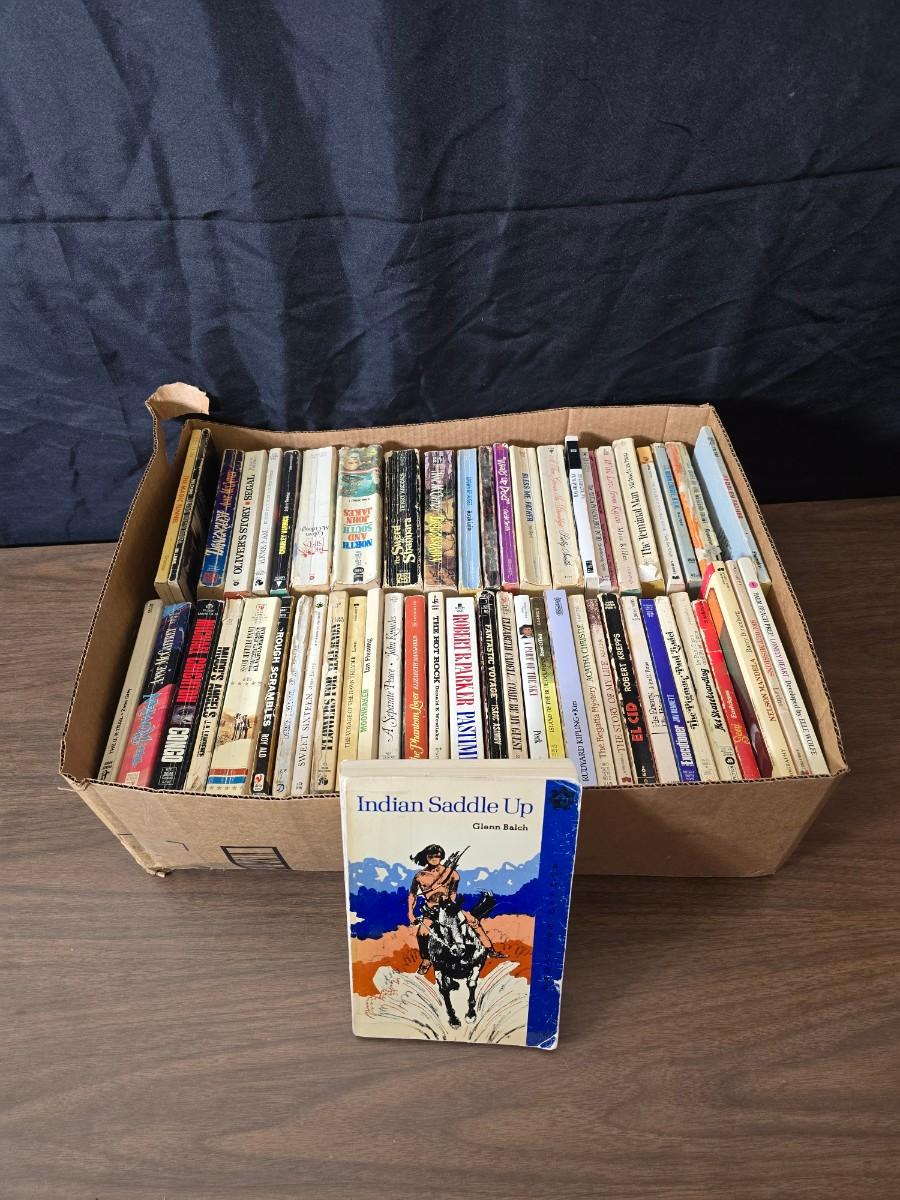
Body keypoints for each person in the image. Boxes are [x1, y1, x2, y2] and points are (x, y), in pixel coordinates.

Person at [407, 844, 506, 975]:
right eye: (431, 856)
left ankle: (489, 949)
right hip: (431, 910)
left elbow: (453, 893)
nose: (434, 858)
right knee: (422, 933)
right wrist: (410, 913)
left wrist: (449, 907)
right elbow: (412, 895)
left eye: (437, 855)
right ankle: (426, 960)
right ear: (426, 857)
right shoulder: (419, 876)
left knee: (473, 921)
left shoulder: (452, 874)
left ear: (441, 857)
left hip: (449, 908)